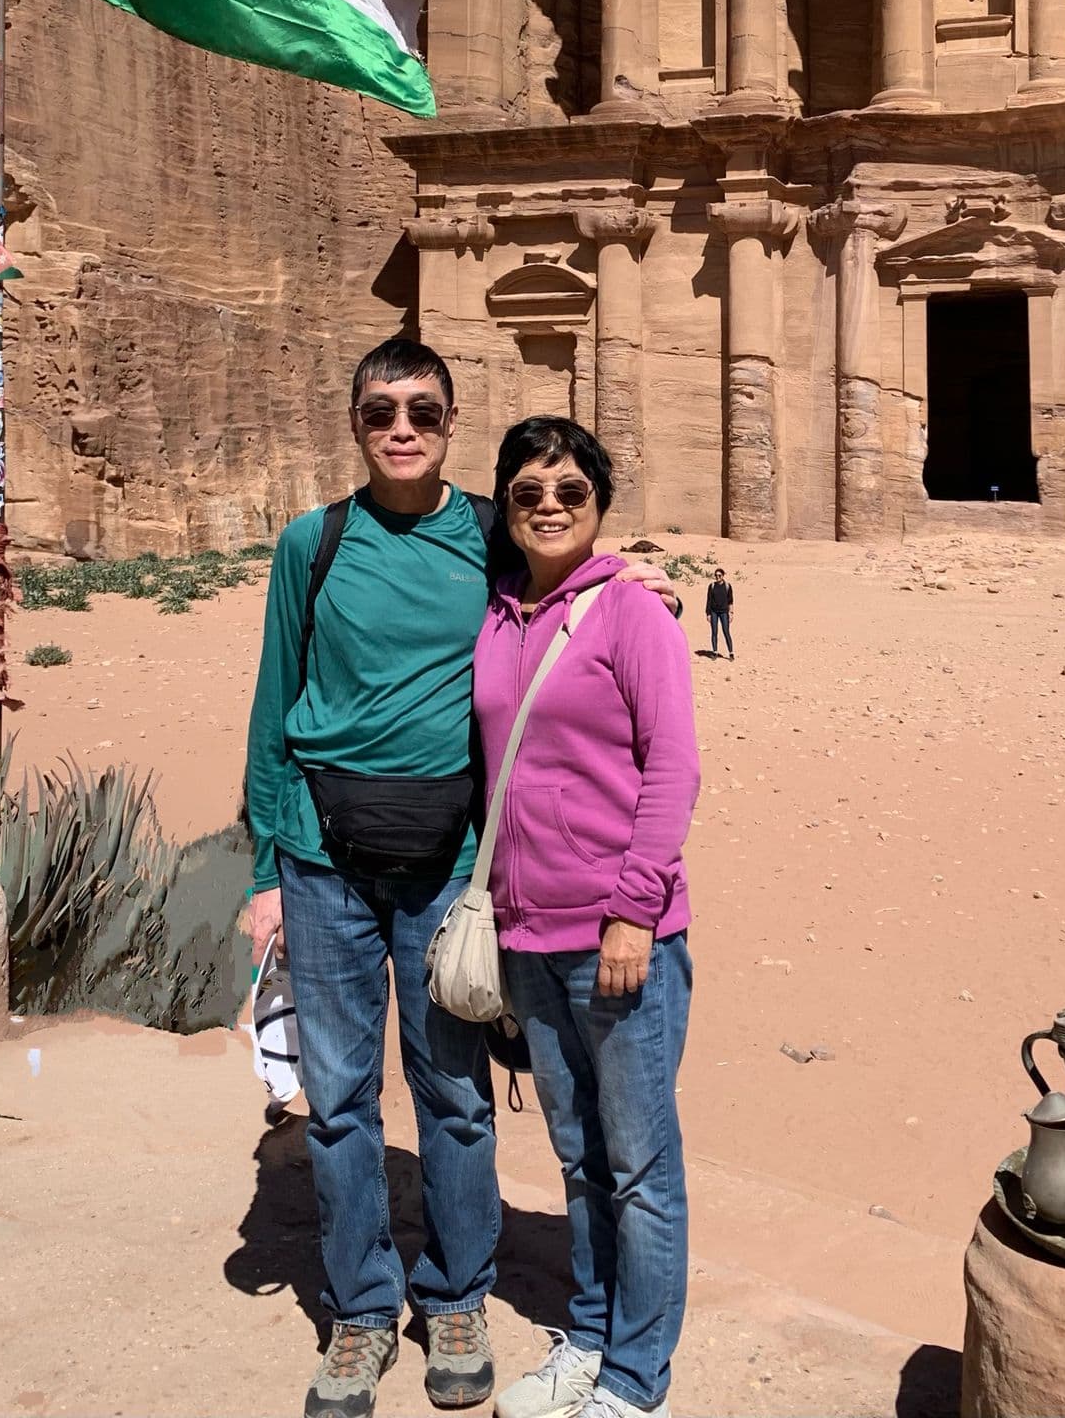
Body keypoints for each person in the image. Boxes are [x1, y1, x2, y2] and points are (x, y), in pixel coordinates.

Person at [245, 339, 677, 1418]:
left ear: (448, 420)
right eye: (381, 409)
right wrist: (265, 868)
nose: (402, 426)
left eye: (424, 411)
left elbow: (561, 568)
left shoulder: (488, 527)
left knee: (455, 1094)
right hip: (325, 863)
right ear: (354, 421)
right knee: (340, 1102)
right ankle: (357, 1312)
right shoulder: (314, 542)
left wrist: (633, 573)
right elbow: (271, 706)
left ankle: (457, 1297)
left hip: (447, 870)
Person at [474, 417, 700, 1418]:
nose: (551, 503)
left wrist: (633, 910)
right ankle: (596, 1334)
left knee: (641, 1168)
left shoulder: (630, 612)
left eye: (570, 487)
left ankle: (637, 1379)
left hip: (618, 935)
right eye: (529, 490)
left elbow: (674, 765)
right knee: (579, 1157)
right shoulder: (496, 614)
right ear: (506, 507)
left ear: (600, 499)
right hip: (526, 937)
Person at [704, 569, 734, 660]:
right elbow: (709, 600)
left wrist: (731, 613)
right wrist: (708, 613)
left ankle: (731, 653)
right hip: (714, 612)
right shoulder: (712, 586)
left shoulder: (727, 586)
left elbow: (730, 601)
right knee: (714, 632)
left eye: (719, 575)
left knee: (726, 631)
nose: (717, 577)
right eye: (716, 575)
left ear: (723, 576)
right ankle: (715, 652)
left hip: (724, 612)